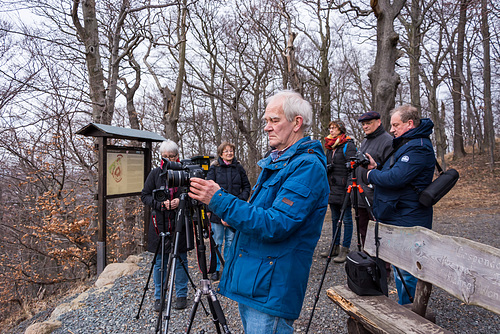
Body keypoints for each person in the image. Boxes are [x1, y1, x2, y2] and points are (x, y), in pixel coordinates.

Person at [188, 90, 329, 333]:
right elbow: (261, 211)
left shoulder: (306, 167)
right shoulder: (279, 161)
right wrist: (232, 217)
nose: (267, 127)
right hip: (258, 279)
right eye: (266, 121)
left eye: (274, 120)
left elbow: (276, 224)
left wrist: (219, 200)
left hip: (273, 284)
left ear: (297, 123)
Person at [366, 105, 435, 305]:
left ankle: (411, 313)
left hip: (409, 218)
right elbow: (396, 174)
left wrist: (372, 175)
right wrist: (377, 168)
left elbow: (397, 178)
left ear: (410, 124)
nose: (392, 129)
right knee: (400, 269)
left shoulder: (419, 146)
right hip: (401, 215)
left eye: (396, 125)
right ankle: (406, 307)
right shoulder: (409, 143)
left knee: (407, 271)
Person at [141, 140, 190, 311]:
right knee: (160, 262)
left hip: (180, 224)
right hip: (159, 225)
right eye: (165, 156)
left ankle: (181, 294)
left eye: (171, 156)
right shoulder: (155, 174)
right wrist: (161, 204)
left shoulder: (185, 173)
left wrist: (181, 201)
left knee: (181, 260)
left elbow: (192, 195)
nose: (168, 159)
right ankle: (159, 296)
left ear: (177, 156)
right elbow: (145, 196)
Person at [206, 142, 251, 281]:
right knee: (217, 241)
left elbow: (247, 187)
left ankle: (229, 267)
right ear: (221, 153)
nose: (229, 153)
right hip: (217, 210)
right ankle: (215, 269)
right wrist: (208, 209)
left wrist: (240, 201)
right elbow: (208, 189)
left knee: (231, 241)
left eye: (231, 151)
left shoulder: (239, 168)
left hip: (235, 210)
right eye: (226, 151)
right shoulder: (214, 168)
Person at [354, 111, 393, 246]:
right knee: (364, 231)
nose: (365, 126)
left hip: (376, 196)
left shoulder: (388, 141)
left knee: (379, 235)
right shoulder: (365, 140)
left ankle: (383, 267)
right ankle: (367, 264)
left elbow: (390, 170)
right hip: (361, 195)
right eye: (363, 124)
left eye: (369, 123)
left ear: (378, 122)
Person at [321, 120, 357, 263]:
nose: (331, 130)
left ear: (341, 130)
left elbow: (352, 168)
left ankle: (345, 249)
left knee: (347, 219)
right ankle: (334, 246)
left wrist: (350, 187)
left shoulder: (348, 145)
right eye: (330, 128)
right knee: (335, 218)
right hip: (332, 187)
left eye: (334, 128)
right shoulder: (330, 147)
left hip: (344, 188)